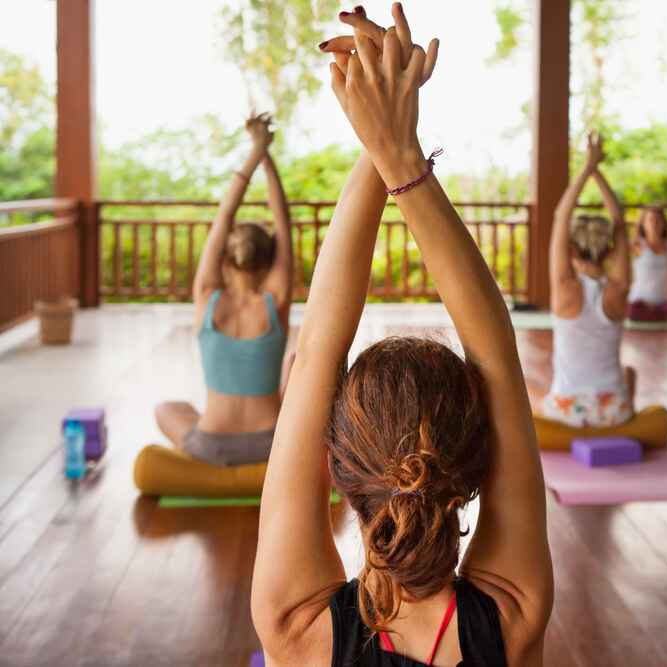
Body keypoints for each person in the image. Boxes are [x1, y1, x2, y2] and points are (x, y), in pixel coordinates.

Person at [251, 5, 552, 666]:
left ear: (331, 467)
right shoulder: (511, 617)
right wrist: (396, 149)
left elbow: (316, 355)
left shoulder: (295, 626)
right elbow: (497, 349)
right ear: (478, 467)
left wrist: (383, 140)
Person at [154, 113, 293, 465]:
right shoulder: (275, 301)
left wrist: (254, 150)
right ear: (269, 261)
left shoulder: (206, 297)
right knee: (294, 365)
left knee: (168, 409)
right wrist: (266, 154)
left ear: (226, 261)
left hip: (212, 446)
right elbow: (283, 220)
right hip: (271, 445)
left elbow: (224, 216)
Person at [540, 131, 636, 428]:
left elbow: (560, 216)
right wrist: (597, 169)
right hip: (614, 411)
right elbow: (618, 219)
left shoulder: (565, 288)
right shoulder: (618, 288)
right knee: (629, 373)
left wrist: (587, 165)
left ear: (570, 250)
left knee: (539, 389)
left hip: (568, 412)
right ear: (609, 249)